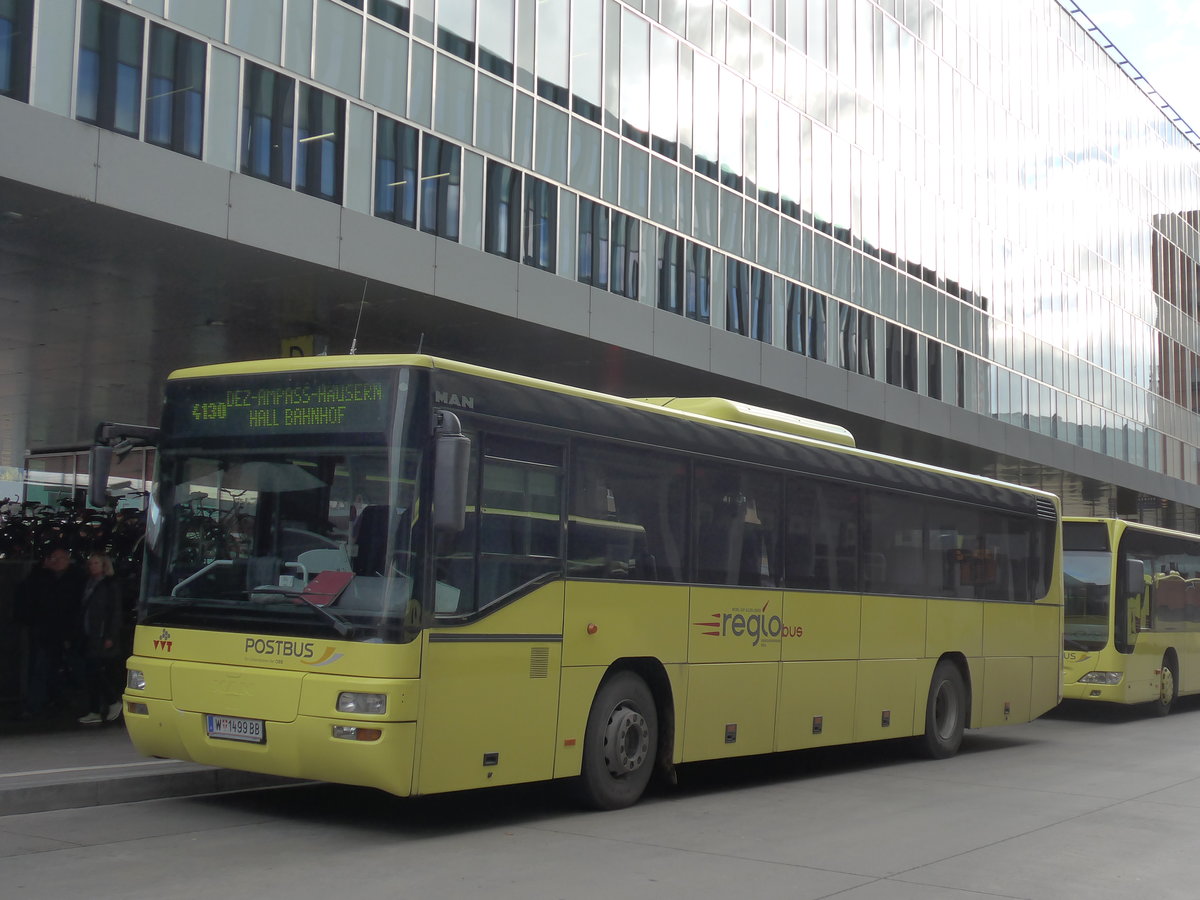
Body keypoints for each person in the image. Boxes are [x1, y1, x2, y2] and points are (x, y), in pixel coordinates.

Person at [15, 546, 85, 718]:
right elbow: (28, 595)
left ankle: (61, 700)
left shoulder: (76, 579)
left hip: (67, 632)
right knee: (44, 668)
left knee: (70, 668)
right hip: (47, 632)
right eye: (54, 558)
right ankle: (41, 704)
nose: (57, 562)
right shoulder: (43, 577)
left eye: (60, 558)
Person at [76, 553, 124, 725]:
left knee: (95, 670)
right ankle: (96, 708)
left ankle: (109, 702)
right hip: (90, 632)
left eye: (96, 563)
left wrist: (110, 635)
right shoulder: (89, 583)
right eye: (90, 564)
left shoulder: (109, 585)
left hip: (101, 633)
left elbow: (114, 612)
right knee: (92, 671)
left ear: (104, 565)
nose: (92, 566)